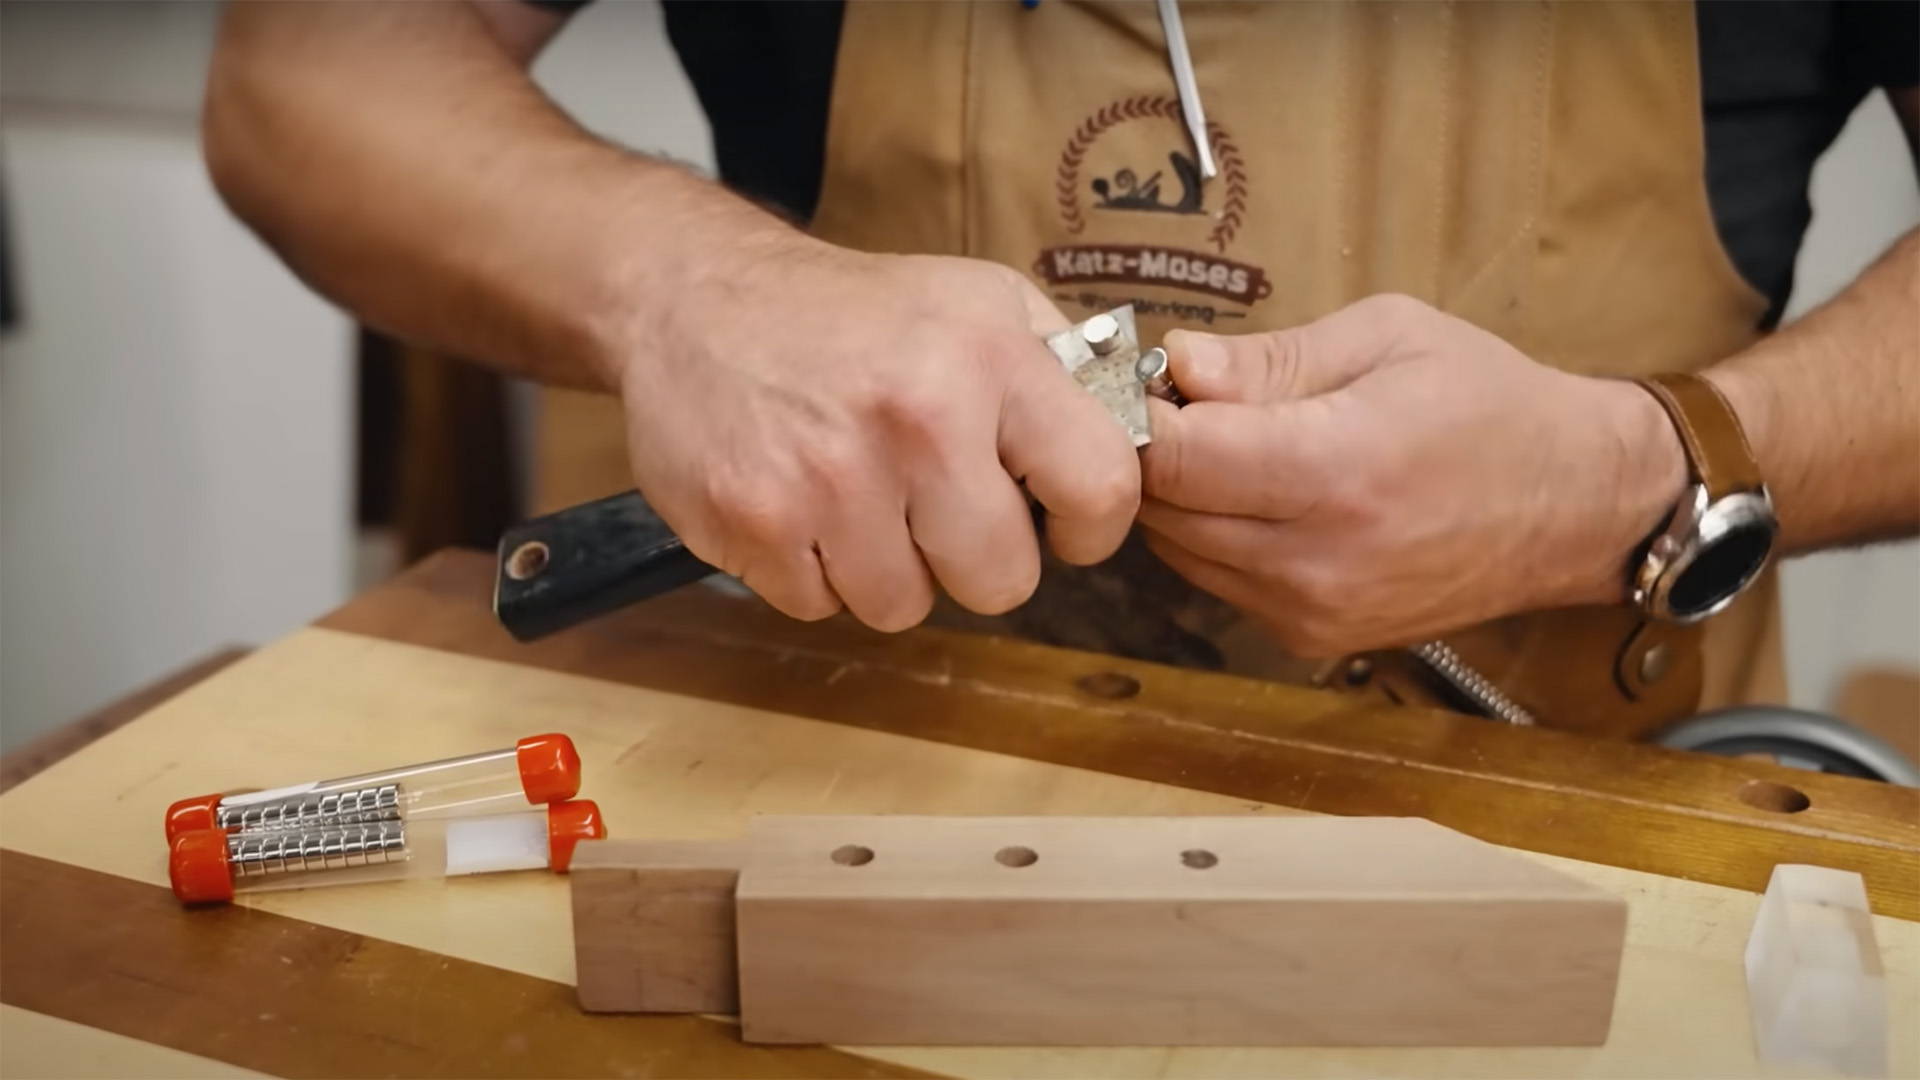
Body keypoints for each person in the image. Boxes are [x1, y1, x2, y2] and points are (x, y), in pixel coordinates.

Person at [204, 0, 1918, 736]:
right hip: (859, 847)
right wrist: (692, 293)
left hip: (1576, 869)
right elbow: (302, 73)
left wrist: (1644, 471)